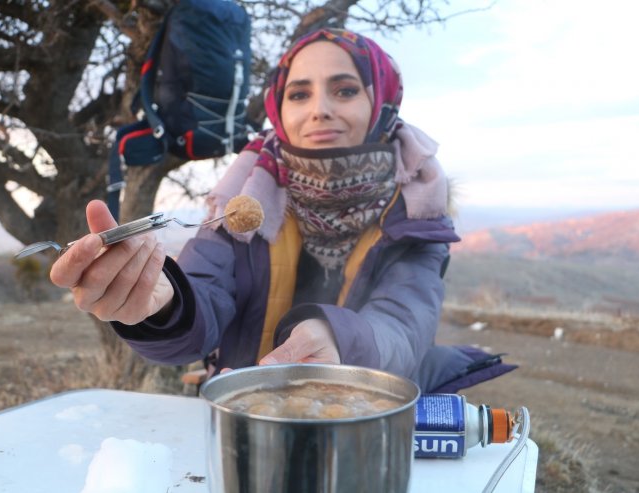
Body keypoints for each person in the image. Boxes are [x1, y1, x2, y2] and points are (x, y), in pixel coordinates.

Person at [50, 28, 515, 392]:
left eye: (345, 90)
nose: (320, 110)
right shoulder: (245, 200)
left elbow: (404, 326)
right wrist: (162, 306)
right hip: (248, 419)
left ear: (382, 104)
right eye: (299, 94)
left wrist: (338, 338)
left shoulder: (416, 213)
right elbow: (204, 297)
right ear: (278, 108)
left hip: (358, 416)